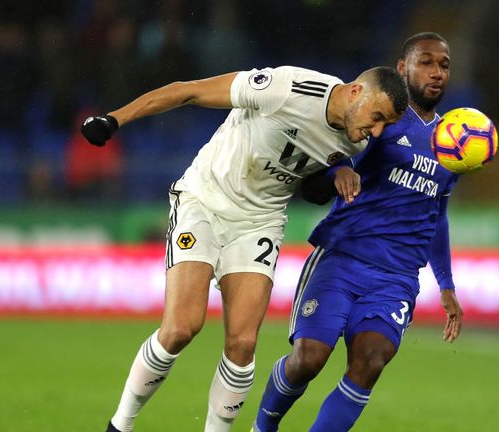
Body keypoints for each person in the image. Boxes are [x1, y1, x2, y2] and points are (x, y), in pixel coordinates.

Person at [80, 65, 408, 432]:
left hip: (259, 222)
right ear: (354, 92)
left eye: (386, 125)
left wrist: (337, 174)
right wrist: (113, 120)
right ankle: (120, 425)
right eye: (377, 117)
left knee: (243, 343)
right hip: (204, 201)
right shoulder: (287, 88)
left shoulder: (357, 139)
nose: (376, 131)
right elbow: (190, 90)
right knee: (181, 328)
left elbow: (311, 188)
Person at [252, 32, 464, 432]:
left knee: (370, 361)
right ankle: (262, 428)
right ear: (402, 69)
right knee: (308, 359)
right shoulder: (376, 119)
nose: (436, 73)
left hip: (396, 277)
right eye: (427, 63)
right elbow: (324, 157)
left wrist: (446, 285)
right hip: (343, 258)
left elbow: (438, 213)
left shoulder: (454, 144)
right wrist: (339, 170)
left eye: (444, 65)